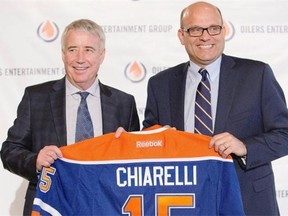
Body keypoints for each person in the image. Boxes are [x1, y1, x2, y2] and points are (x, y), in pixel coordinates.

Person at [141, 2, 288, 216]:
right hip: (184, 202)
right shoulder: (160, 84)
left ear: (224, 30)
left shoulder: (257, 75)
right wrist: (127, 140)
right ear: (181, 36)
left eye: (213, 28)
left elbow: (284, 134)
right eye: (195, 30)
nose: (205, 36)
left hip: (247, 201)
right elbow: (150, 139)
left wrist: (245, 147)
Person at [0, 19, 139, 215]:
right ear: (63, 54)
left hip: (108, 207)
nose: (80, 58)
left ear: (102, 55)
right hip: (49, 206)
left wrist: (129, 148)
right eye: (73, 49)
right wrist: (35, 161)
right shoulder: (36, 97)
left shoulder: (123, 103)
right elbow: (9, 151)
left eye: (89, 50)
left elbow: (136, 166)